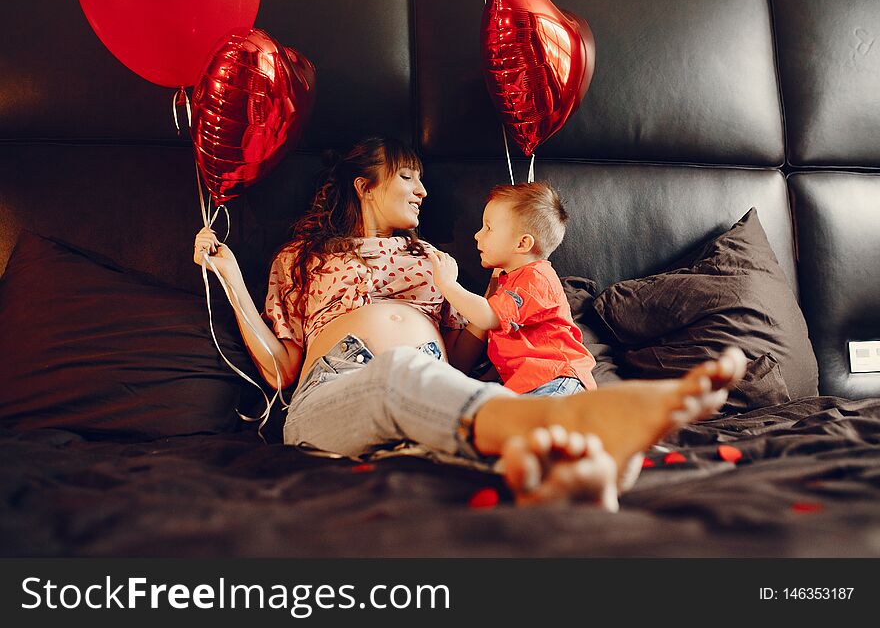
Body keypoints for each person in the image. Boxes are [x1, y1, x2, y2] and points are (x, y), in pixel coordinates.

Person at [193, 136, 746, 507]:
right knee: (396, 380)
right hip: (333, 390)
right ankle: (577, 425)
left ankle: (562, 469)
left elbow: (460, 358)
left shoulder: (433, 261)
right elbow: (281, 370)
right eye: (408, 177)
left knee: (424, 425)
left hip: (435, 384)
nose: (423, 190)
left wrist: (475, 299)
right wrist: (230, 275)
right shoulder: (301, 258)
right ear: (363, 185)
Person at [427, 181, 597, 397]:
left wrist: (448, 284)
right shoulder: (511, 281)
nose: (477, 235)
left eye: (488, 228)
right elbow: (513, 353)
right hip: (536, 383)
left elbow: (487, 317)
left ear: (522, 244)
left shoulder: (535, 278)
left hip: (558, 377)